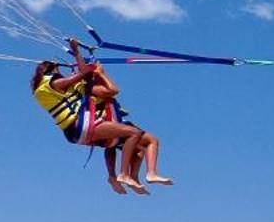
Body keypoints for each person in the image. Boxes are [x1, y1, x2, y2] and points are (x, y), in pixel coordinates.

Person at [30, 40, 171, 193]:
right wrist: (77, 52)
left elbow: (83, 76)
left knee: (143, 141)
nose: (60, 75)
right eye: (57, 72)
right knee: (132, 133)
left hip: (76, 130)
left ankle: (145, 174)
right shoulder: (53, 83)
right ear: (50, 72)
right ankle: (123, 175)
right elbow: (87, 76)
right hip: (80, 126)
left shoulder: (44, 90)